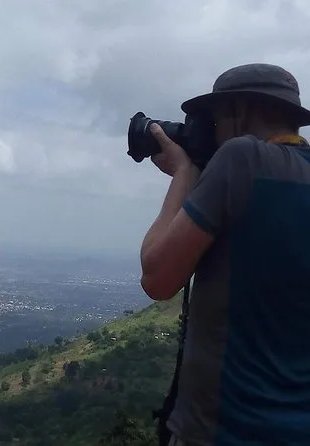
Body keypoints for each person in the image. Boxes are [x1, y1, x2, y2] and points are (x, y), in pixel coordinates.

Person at [139, 62, 310, 445]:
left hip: (225, 430)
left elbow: (157, 278)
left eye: (214, 121)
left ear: (238, 110)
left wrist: (184, 175)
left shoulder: (241, 158)